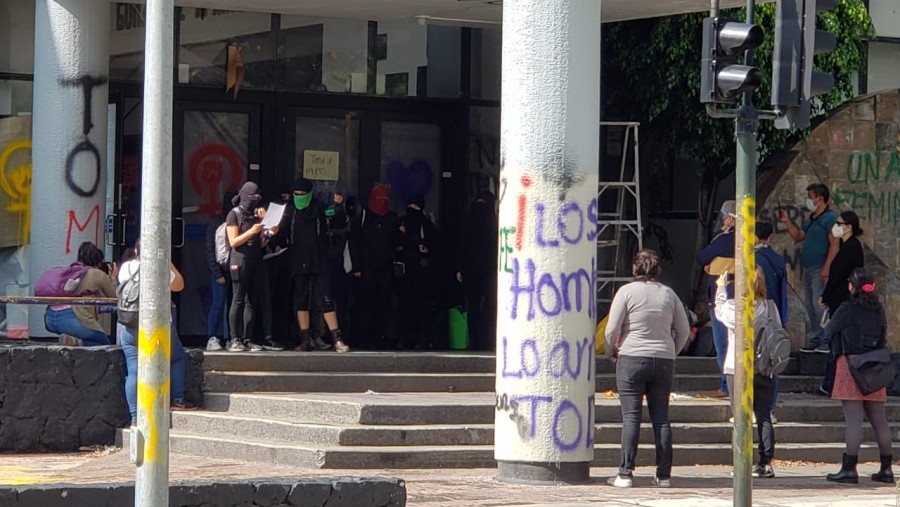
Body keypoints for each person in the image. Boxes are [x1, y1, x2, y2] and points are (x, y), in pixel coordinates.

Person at [605, 249, 691, 488]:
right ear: (657, 270)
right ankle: (663, 475)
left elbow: (611, 329)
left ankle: (625, 474)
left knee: (631, 417)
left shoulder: (626, 292)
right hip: (663, 359)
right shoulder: (669, 295)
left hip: (631, 356)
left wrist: (611, 350)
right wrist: (671, 352)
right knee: (661, 418)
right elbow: (684, 330)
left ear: (634, 269)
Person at [117, 238, 197, 426]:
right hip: (157, 327)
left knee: (134, 372)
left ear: (136, 252)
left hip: (129, 326)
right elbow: (179, 285)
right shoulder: (160, 270)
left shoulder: (126, 267)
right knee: (176, 357)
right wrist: (167, 261)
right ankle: (177, 400)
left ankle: (136, 418)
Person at [824, 268, 893, 484]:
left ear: (852, 286)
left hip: (850, 365)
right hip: (875, 366)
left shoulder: (847, 308)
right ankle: (886, 469)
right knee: (879, 420)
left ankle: (849, 469)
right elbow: (883, 335)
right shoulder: (878, 309)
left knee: (854, 420)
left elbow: (829, 331)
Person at [714, 266, 780, 479]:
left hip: (738, 366)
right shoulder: (769, 307)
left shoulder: (735, 307)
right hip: (764, 367)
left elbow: (719, 311)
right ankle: (766, 462)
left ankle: (742, 461)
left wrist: (721, 287)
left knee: (741, 416)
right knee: (764, 416)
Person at [287, 178, 349, 353]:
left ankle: (337, 338)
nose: (299, 198)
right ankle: (305, 338)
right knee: (301, 300)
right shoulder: (289, 212)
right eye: (296, 194)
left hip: (319, 259)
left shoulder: (320, 209)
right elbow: (274, 225)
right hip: (298, 260)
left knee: (326, 298)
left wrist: (338, 207)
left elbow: (336, 217)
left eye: (302, 195)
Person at [777, 183, 839, 352]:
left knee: (819, 303)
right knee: (810, 305)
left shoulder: (831, 218)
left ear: (820, 198)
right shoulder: (812, 219)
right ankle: (815, 337)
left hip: (820, 267)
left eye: (810, 197)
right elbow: (798, 237)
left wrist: (827, 267)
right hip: (808, 268)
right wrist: (787, 222)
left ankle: (826, 339)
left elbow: (835, 244)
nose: (808, 201)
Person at [226, 181, 283, 352]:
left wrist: (271, 228)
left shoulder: (258, 214)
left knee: (252, 301)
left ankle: (248, 338)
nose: (255, 200)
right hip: (240, 259)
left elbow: (263, 239)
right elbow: (233, 241)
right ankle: (234, 338)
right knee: (238, 299)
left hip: (257, 258)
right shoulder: (234, 214)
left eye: (258, 197)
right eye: (252, 197)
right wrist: (251, 231)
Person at [348, 183, 401, 349]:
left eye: (386, 197)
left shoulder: (392, 217)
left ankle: (378, 337)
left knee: (382, 305)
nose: (383, 200)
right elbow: (353, 242)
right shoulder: (362, 215)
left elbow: (396, 241)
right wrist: (356, 267)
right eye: (380, 197)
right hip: (366, 268)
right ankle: (364, 338)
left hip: (384, 269)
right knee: (365, 305)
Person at [696, 200, 736, 397]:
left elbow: (703, 257)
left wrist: (713, 263)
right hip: (742, 299)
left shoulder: (724, 239)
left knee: (723, 344)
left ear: (729, 218)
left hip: (722, 299)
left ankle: (726, 386)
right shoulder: (749, 240)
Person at [44, 241, 118, 346]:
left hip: (50, 318)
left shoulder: (72, 271)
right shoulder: (97, 274)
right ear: (98, 262)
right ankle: (76, 342)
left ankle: (72, 341)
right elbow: (115, 297)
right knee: (104, 343)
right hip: (72, 319)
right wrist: (113, 277)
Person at [456, 191, 498, 351]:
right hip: (489, 270)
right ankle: (490, 340)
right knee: (490, 306)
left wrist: (460, 268)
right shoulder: (492, 221)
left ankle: (475, 341)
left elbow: (462, 245)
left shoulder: (469, 218)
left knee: (472, 307)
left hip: (471, 270)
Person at [397, 195, 439, 350]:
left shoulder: (425, 225)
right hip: (405, 272)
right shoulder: (403, 222)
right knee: (406, 306)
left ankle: (419, 337)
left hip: (420, 273)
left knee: (419, 306)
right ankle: (406, 336)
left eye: (416, 208)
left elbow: (436, 245)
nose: (413, 211)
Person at [755, 221, 787, 420]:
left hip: (753, 311)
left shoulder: (749, 257)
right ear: (770, 237)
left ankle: (750, 408)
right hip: (773, 314)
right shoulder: (777, 259)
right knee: (771, 363)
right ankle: (770, 408)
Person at [204, 191, 236, 351]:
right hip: (222, 270)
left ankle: (230, 337)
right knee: (218, 303)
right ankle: (212, 337)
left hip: (234, 270)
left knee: (231, 304)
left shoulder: (236, 221)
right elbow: (210, 249)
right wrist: (217, 272)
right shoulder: (217, 223)